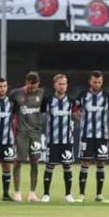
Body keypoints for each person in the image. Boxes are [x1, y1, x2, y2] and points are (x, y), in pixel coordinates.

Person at [72, 71, 109, 203]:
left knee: (100, 162)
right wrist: (80, 119)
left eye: (99, 82)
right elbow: (74, 109)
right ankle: (81, 194)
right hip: (86, 135)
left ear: (101, 83)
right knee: (85, 162)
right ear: (89, 82)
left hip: (102, 136)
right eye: (94, 82)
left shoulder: (107, 96)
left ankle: (99, 195)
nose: (96, 84)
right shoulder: (83, 95)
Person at [39, 74, 76, 203]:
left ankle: (68, 194)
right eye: (59, 84)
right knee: (50, 166)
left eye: (64, 84)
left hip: (67, 140)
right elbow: (41, 116)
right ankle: (46, 194)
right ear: (55, 85)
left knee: (67, 166)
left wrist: (75, 122)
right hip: (52, 140)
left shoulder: (71, 101)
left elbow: (77, 115)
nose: (62, 86)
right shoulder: (48, 100)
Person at [9, 72, 45, 203]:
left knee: (35, 162)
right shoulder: (15, 94)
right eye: (30, 86)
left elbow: (44, 111)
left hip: (35, 134)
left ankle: (32, 194)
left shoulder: (41, 94)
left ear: (38, 84)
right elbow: (11, 114)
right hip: (21, 133)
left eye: (35, 86)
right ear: (26, 82)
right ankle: (17, 193)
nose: (32, 89)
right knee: (18, 161)